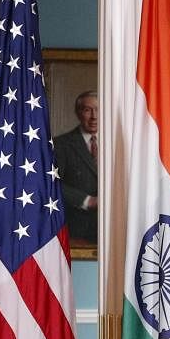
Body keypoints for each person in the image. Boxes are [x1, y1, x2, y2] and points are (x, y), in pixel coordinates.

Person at [52, 90, 99, 243]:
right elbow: (52, 183)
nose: (94, 116)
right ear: (78, 113)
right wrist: (87, 200)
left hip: (112, 228)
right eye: (87, 110)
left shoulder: (118, 144)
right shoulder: (61, 144)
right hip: (76, 230)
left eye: (98, 109)